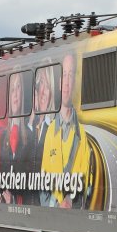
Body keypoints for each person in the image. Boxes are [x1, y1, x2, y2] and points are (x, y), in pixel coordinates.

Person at [40, 53, 91, 208]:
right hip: (52, 210)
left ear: (75, 83)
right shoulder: (50, 133)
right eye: (65, 75)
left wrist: (69, 200)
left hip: (73, 209)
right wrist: (54, 205)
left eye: (71, 75)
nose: (67, 82)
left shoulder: (83, 134)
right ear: (60, 82)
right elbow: (43, 180)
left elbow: (86, 181)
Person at [0, 71, 35, 203]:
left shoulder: (31, 137)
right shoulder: (2, 136)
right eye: (12, 89)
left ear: (22, 94)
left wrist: (13, 200)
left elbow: (33, 181)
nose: (15, 93)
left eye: (18, 88)